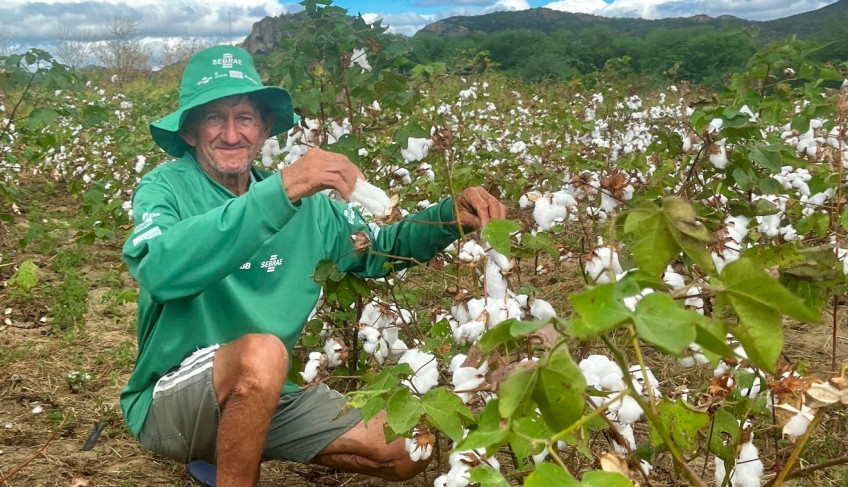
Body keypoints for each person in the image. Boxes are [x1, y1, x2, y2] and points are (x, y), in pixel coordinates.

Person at [121, 45, 505, 487]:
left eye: (244, 118)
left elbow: (379, 248)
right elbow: (160, 270)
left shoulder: (309, 208)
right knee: (261, 354)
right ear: (188, 132)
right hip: (171, 402)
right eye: (214, 118)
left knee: (407, 447)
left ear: (264, 128)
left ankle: (235, 446)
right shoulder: (166, 188)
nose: (231, 134)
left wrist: (448, 216)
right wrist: (281, 190)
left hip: (266, 393)